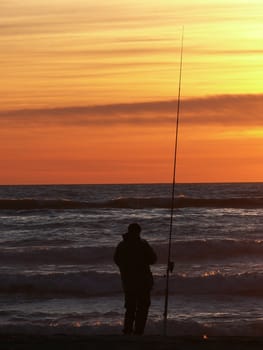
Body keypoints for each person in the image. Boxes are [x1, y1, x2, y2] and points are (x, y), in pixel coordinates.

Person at [114, 223, 157, 335]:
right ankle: (138, 332)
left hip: (128, 282)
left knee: (130, 307)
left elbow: (117, 260)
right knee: (143, 307)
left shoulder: (121, 245)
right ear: (139, 232)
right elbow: (153, 259)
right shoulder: (142, 244)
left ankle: (127, 330)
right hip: (143, 281)